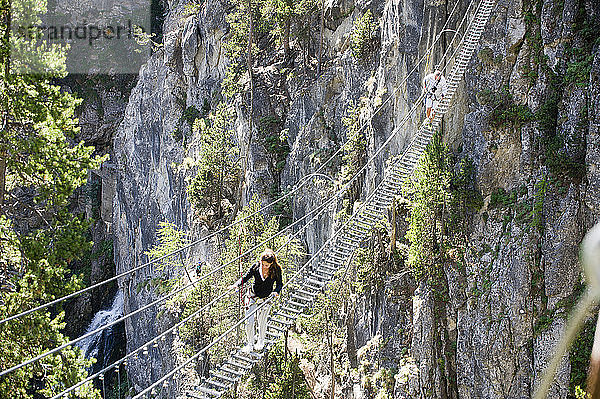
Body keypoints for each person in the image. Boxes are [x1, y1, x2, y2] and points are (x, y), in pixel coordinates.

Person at [229, 249, 283, 353]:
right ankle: (250, 344)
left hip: (266, 299)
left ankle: (261, 341)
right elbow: (245, 277)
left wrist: (276, 291)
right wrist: (236, 284)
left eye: (266, 265)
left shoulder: (276, 270)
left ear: (271, 264)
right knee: (249, 322)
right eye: (263, 264)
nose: (264, 267)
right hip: (252, 296)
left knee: (262, 320)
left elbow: (280, 283)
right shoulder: (256, 267)